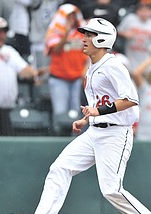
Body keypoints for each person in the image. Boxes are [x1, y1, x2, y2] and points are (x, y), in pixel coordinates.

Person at [7, 17, 151, 214]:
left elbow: (130, 100)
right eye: (85, 34)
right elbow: (99, 102)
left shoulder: (113, 65)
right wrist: (86, 118)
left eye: (89, 35)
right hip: (94, 132)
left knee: (111, 189)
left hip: (116, 134)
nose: (83, 39)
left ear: (103, 39)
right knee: (60, 168)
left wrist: (98, 111)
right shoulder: (94, 66)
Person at [0, 17, 41, 136]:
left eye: (4, 31)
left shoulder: (10, 51)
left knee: (6, 143)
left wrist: (34, 73)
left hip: (7, 111)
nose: (1, 35)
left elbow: (23, 70)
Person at [44, 3, 88, 134]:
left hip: (76, 79)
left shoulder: (82, 34)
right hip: (59, 78)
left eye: (73, 16)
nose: (72, 19)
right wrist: (66, 33)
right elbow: (56, 49)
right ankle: (59, 139)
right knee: (60, 112)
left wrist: (85, 69)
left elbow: (88, 54)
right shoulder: (54, 32)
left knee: (75, 112)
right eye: (69, 16)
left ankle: (73, 139)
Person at [117, 2, 151, 72]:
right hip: (132, 56)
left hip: (147, 58)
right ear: (137, 11)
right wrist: (125, 34)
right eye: (142, 11)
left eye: (147, 11)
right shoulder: (130, 19)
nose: (145, 13)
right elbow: (116, 31)